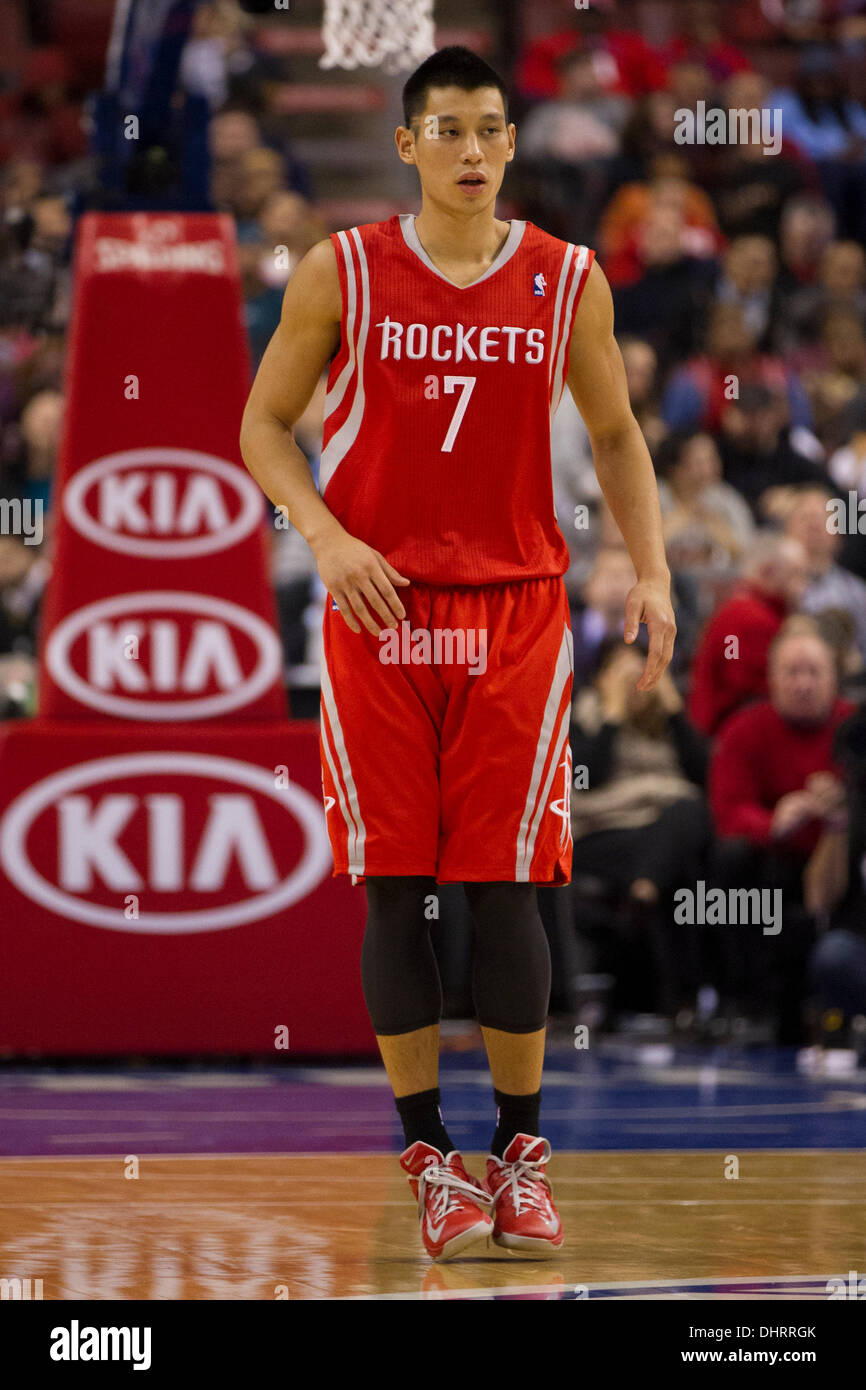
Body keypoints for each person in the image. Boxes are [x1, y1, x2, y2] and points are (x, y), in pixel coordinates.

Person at [239, 46, 675, 1261]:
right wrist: (321, 534)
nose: (473, 151)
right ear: (407, 145)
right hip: (379, 609)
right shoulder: (345, 272)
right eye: (449, 131)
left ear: (511, 144)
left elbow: (617, 432)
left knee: (502, 883)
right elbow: (262, 424)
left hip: (515, 611)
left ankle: (521, 1153)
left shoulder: (563, 279)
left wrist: (650, 570)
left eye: (491, 129)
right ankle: (431, 1156)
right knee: (394, 884)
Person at [708, 622, 855, 1041]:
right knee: (731, 860)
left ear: (834, 678)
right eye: (792, 673)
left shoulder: (854, 729)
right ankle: (753, 1006)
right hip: (774, 864)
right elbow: (728, 813)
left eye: (813, 672)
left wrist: (843, 804)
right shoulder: (744, 730)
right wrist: (773, 822)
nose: (803, 684)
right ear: (772, 679)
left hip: (844, 862)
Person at [687, 531, 808, 736]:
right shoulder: (750, 618)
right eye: (796, 574)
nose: (804, 586)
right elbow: (744, 685)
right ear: (767, 571)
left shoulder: (741, 609)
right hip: (728, 730)